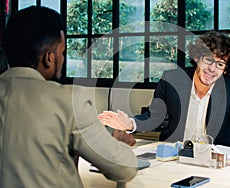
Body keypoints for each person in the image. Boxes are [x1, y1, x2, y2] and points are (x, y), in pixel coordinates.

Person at [0, 6, 137, 188]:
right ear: (48, 58)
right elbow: (123, 168)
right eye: (62, 53)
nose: (63, 59)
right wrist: (117, 145)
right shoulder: (69, 100)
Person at [99, 31, 230, 152]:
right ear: (197, 57)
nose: (212, 69)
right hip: (175, 154)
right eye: (208, 60)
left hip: (217, 159)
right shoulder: (171, 80)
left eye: (220, 64)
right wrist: (130, 123)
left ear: (226, 69)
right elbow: (154, 117)